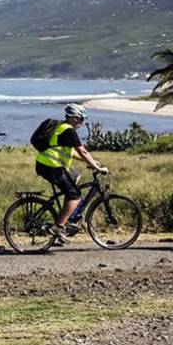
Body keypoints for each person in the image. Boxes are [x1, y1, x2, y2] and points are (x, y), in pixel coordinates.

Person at [34, 103, 108, 243]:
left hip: (47, 165)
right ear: (74, 118)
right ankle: (59, 226)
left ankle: (66, 216)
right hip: (51, 167)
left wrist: (91, 162)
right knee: (75, 196)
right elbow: (83, 151)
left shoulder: (61, 127)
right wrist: (97, 168)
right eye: (81, 119)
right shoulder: (68, 131)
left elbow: (73, 152)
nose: (82, 122)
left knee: (76, 177)